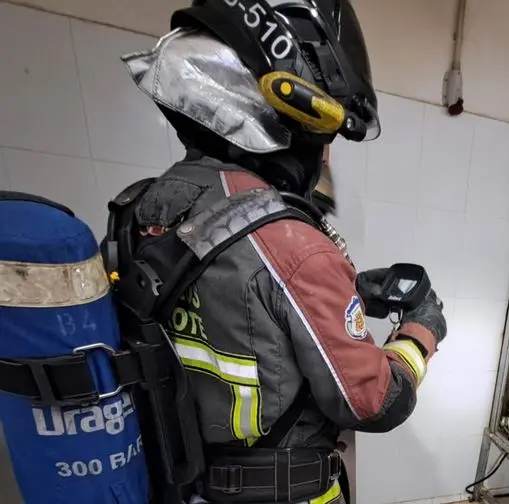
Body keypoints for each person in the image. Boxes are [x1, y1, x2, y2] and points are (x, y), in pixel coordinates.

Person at [104, 1, 447, 503]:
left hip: (183, 488)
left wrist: (341, 292)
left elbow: (242, 313)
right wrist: (421, 330)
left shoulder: (139, 209)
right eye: (325, 140)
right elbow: (376, 403)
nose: (324, 156)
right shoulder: (294, 246)